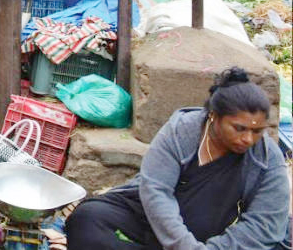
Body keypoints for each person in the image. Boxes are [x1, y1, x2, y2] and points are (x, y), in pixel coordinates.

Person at [64, 67, 291, 249]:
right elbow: (156, 190)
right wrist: (182, 245)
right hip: (154, 217)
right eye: (239, 128)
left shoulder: (267, 158)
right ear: (214, 116)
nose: (248, 139)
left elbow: (265, 224)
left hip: (211, 236)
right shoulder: (182, 131)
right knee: (87, 219)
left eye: (257, 131)